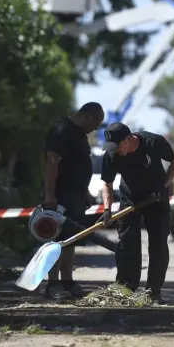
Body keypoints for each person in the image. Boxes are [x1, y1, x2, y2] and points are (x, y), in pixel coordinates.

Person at [101, 123, 174, 304]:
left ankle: (153, 291)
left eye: (117, 146)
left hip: (156, 198)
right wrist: (107, 209)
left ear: (129, 139)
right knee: (127, 243)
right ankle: (126, 289)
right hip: (130, 199)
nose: (114, 151)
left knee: (158, 243)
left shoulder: (153, 142)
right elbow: (107, 184)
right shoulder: (112, 154)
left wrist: (164, 185)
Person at [42, 102, 106, 301]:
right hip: (60, 195)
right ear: (86, 116)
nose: (95, 129)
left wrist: (85, 191)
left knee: (71, 240)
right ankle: (52, 284)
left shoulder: (80, 135)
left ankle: (67, 281)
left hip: (76, 197)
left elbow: (78, 166)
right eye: (95, 123)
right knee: (56, 241)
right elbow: (52, 163)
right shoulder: (61, 130)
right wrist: (49, 196)